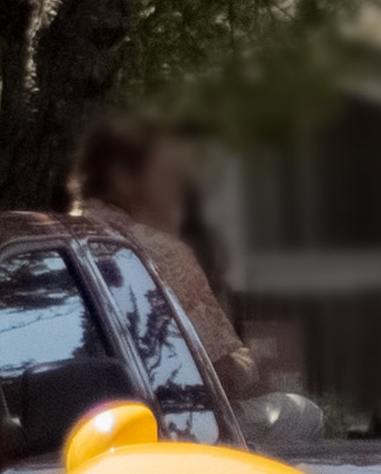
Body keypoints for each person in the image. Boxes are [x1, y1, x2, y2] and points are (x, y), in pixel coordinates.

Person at [75, 117, 259, 399]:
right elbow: (224, 376)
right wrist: (249, 364)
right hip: (170, 422)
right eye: (168, 176)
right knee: (303, 413)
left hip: (76, 419)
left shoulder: (57, 240)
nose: (179, 190)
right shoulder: (161, 253)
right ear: (123, 178)